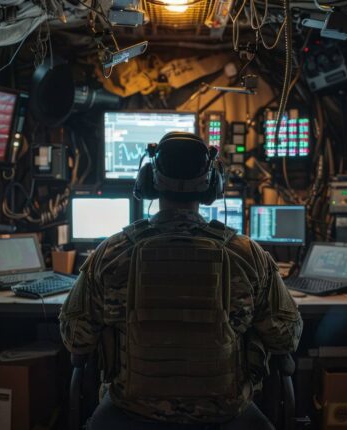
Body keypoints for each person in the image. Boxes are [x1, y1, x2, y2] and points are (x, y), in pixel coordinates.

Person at [59, 132, 303, 429]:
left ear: (148, 181)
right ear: (213, 185)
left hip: (131, 411)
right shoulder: (248, 256)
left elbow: (76, 337)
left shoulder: (111, 253)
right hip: (226, 414)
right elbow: (286, 337)